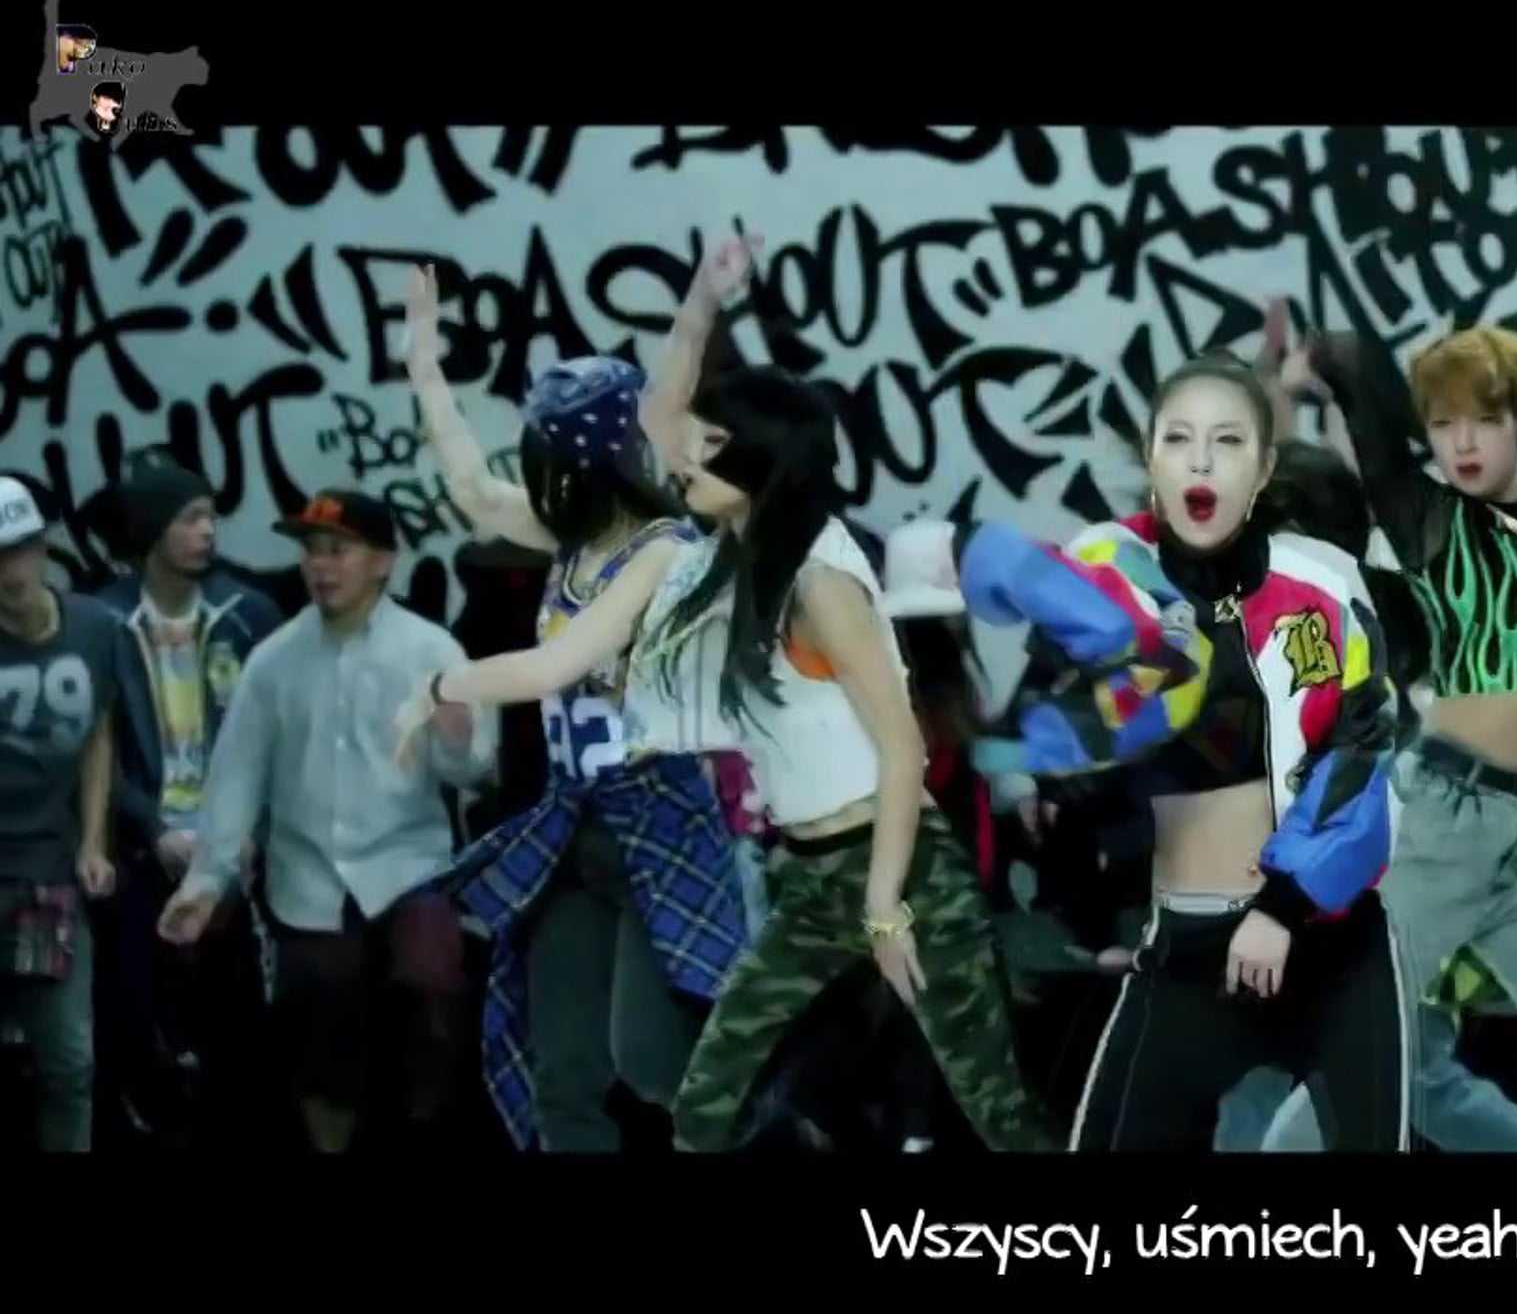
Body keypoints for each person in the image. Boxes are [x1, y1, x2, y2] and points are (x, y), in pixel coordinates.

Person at [921, 350, 1408, 1151]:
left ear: (1264, 470)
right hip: (1185, 941)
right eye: (1179, 440)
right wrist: (976, 555)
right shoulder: (1123, 575)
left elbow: (1358, 756)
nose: (1202, 462)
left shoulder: (1314, 597)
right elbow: (1074, 631)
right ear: (1152, 459)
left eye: (1228, 442)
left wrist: (1283, 907)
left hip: (1321, 941)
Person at [575, 360, 1050, 1154]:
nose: (687, 456)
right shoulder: (735, 579)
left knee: (992, 1106)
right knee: (710, 1100)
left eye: (714, 443)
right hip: (808, 875)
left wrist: (886, 906)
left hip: (904, 876)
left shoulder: (825, 585)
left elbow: (904, 752)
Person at [400, 262, 737, 1154]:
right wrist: (425, 366)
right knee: (562, 1071)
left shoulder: (667, 549)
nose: (536, 472)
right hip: (572, 813)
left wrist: (440, 685)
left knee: (656, 1063)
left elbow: (560, 664)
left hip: (659, 813)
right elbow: (474, 492)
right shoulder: (573, 538)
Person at [1285, 323, 1517, 1143]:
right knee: (1363, 1052)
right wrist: (1314, 364)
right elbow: (1366, 392)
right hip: (1446, 824)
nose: (1463, 443)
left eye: (1484, 420)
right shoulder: (1431, 519)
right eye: (1444, 424)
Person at [157, 491, 493, 1154]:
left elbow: (473, 772)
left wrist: (457, 740)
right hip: (307, 878)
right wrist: (205, 884)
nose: (321, 566)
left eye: (339, 550)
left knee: (432, 1001)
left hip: (409, 869)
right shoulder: (273, 660)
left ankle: (418, 1134)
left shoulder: (432, 650)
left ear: (383, 562)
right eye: (311, 551)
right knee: (320, 1040)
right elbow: (235, 779)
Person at [87, 459, 281, 1148]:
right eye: (189, 518)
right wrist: (150, 826)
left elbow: (277, 740)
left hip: (234, 848)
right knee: (135, 1001)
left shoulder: (249, 615)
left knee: (240, 1017)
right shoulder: (102, 621)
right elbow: (94, 751)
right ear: (149, 532)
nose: (208, 531)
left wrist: (248, 832)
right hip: (142, 845)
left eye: (210, 517)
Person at [0, 475, 121, 1152]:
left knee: (69, 1063)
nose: (10, 571)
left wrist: (93, 841)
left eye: (20, 550)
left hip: (50, 866)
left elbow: (99, 732)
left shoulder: (94, 627)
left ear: (42, 548)